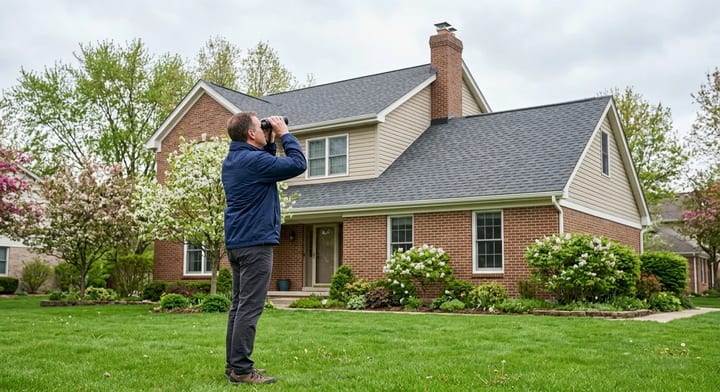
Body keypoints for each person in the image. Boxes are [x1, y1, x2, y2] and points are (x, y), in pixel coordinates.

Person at [222, 112, 307, 384]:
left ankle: (234, 367)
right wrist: (283, 134)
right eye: (260, 126)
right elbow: (297, 164)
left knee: (239, 306)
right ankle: (243, 371)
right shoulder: (253, 160)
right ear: (250, 133)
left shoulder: (234, 159)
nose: (264, 127)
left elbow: (266, 165)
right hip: (255, 244)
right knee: (250, 308)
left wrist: (269, 141)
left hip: (238, 243)